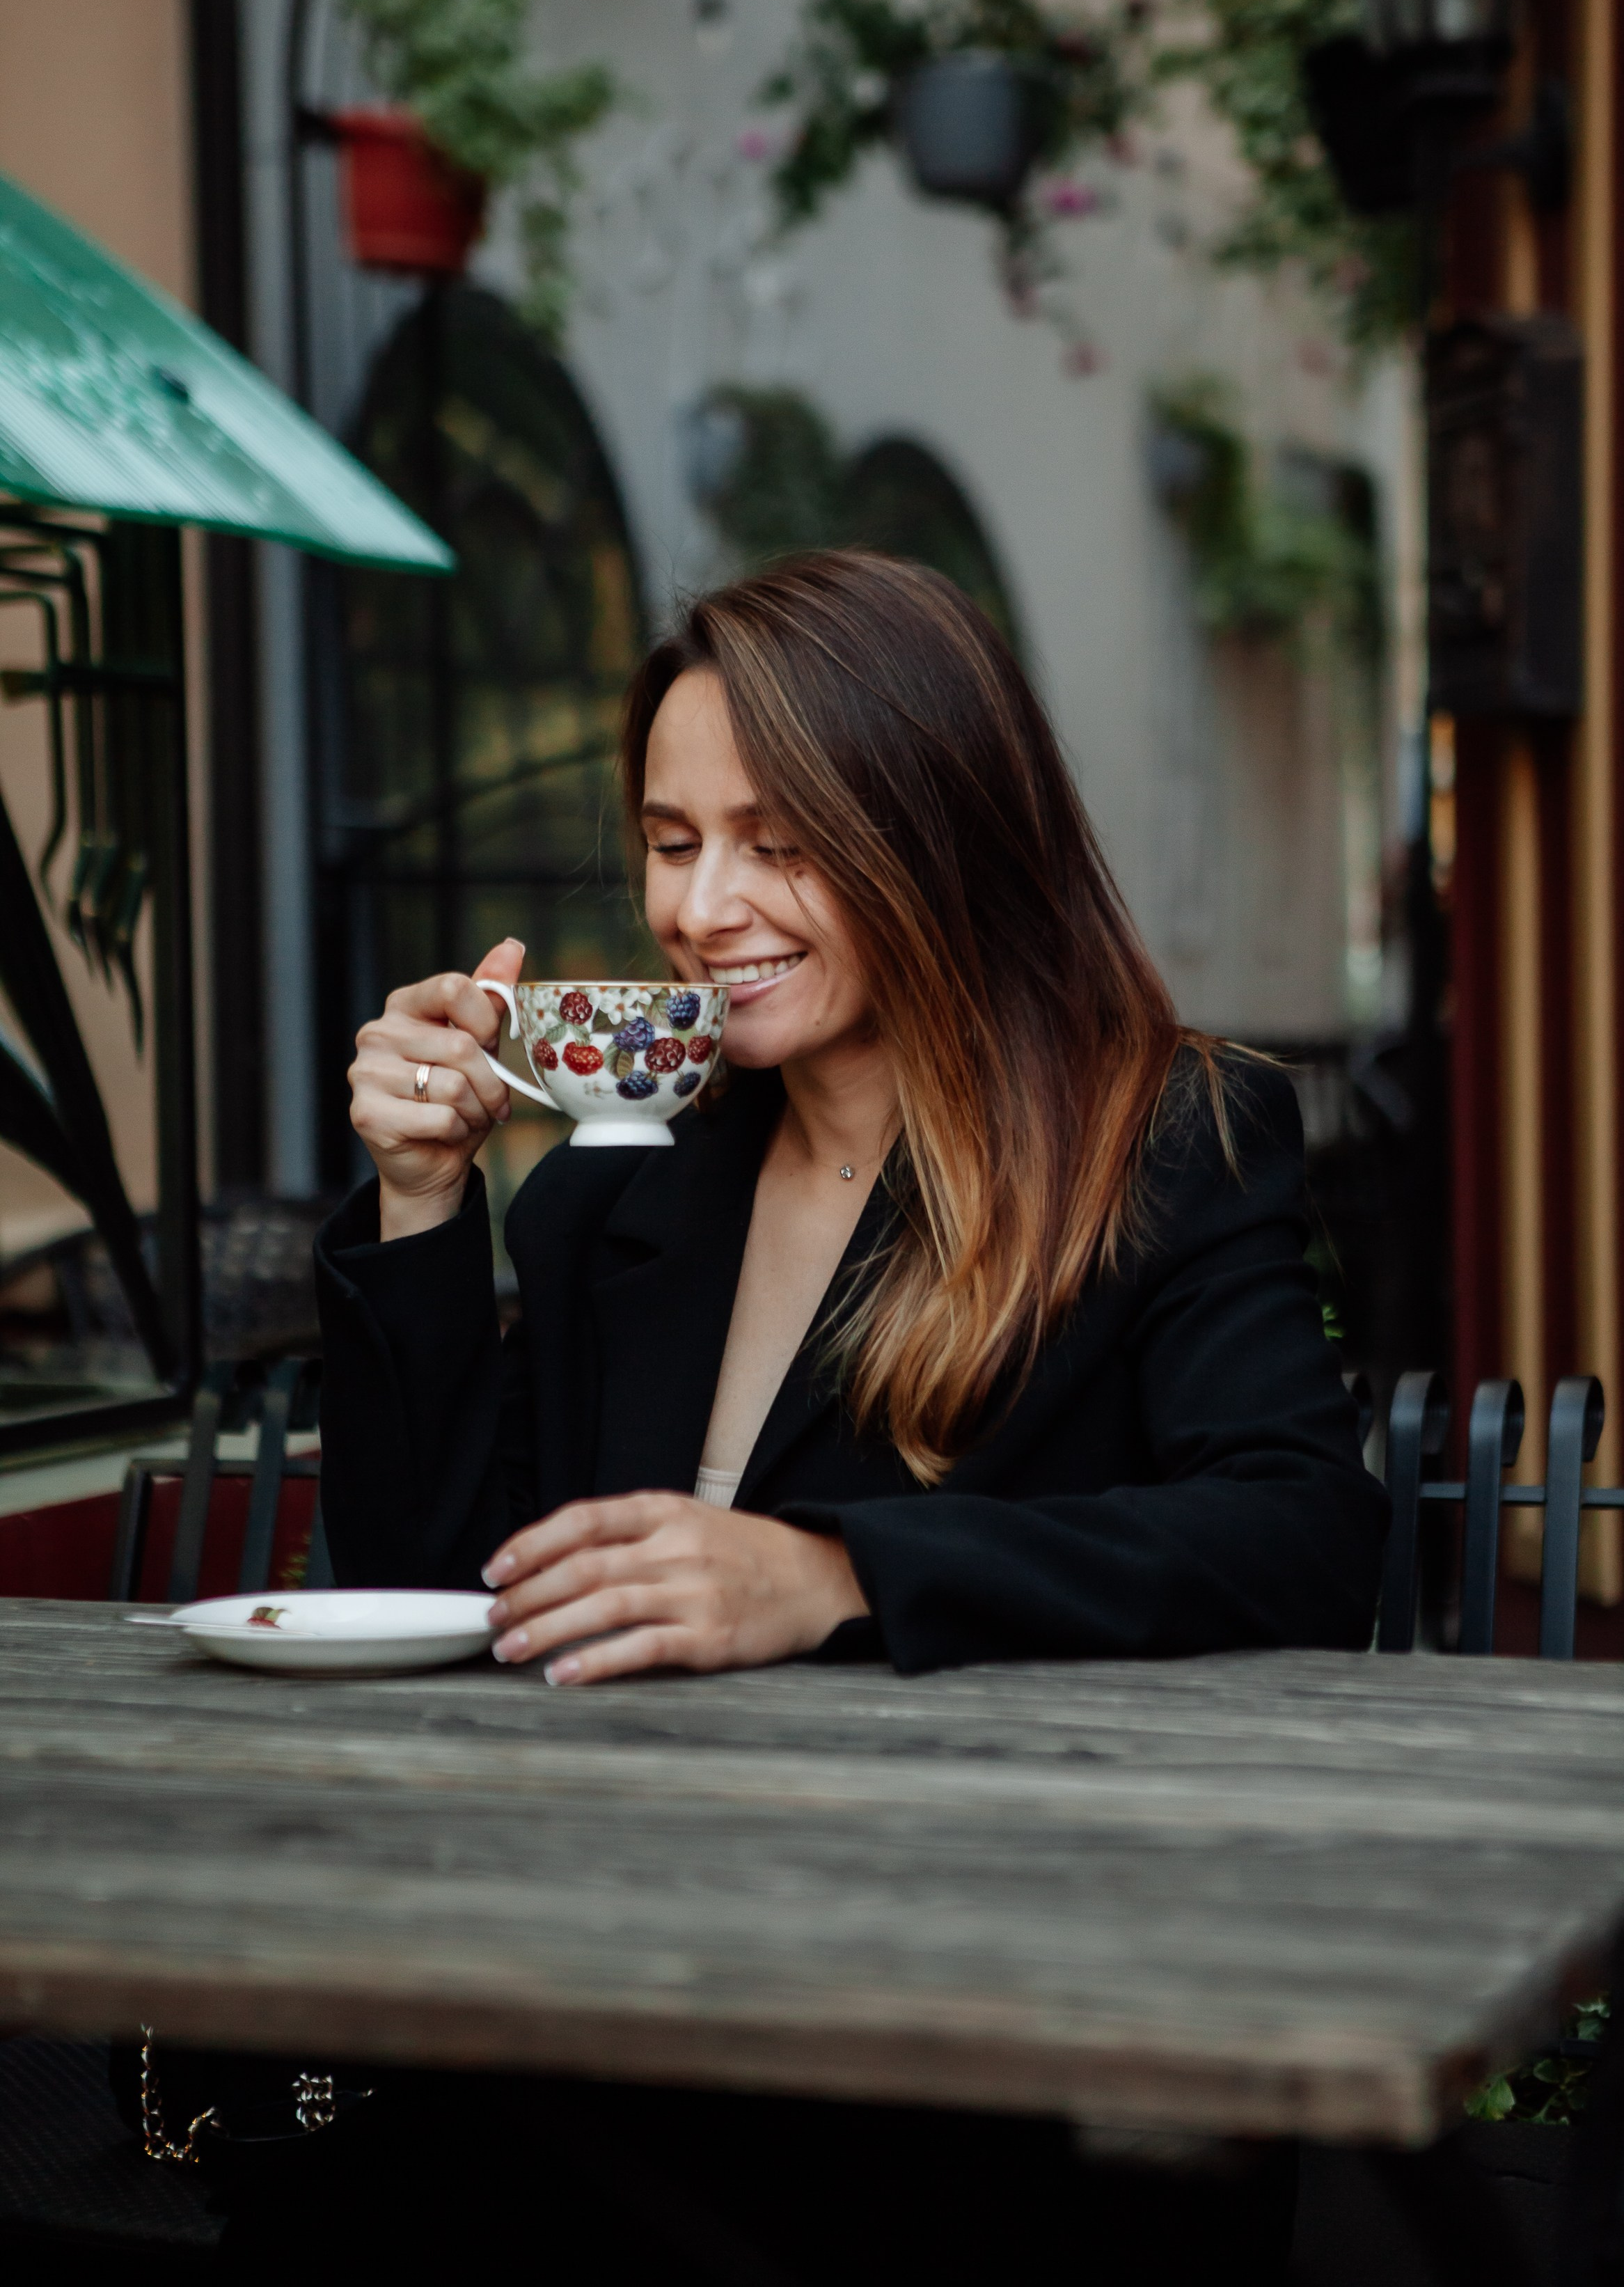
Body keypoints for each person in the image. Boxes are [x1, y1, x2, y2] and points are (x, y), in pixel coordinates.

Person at [292, 550, 1386, 2282]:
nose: (704, 905)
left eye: (779, 835)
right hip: (614, 1975)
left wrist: (833, 1571)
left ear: (937, 826)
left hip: (985, 2016)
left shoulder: (1162, 1146)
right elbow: (443, 1576)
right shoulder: (614, 1196)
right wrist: (425, 1204)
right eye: (671, 839)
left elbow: (1304, 1536)